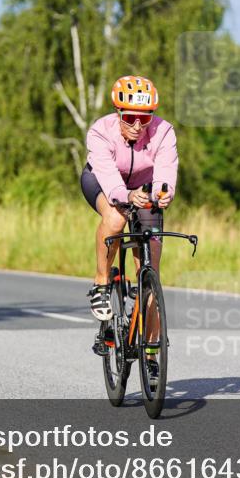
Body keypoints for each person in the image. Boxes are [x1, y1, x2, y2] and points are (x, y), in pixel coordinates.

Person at [81, 75, 177, 324]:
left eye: (145, 118)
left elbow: (165, 171)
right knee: (115, 218)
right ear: (118, 112)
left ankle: (151, 353)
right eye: (129, 118)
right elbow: (110, 180)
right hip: (103, 182)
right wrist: (127, 196)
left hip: (143, 188)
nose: (137, 125)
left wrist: (163, 194)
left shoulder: (163, 131)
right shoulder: (100, 132)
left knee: (150, 276)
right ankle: (101, 284)